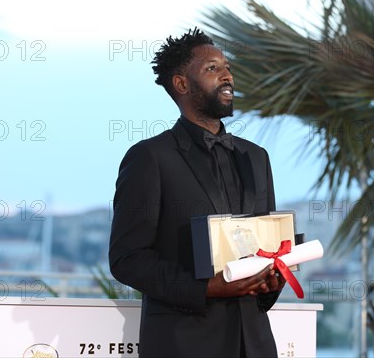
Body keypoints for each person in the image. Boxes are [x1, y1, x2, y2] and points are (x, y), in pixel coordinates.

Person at [109, 28, 285, 357]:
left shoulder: (257, 157)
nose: (227, 76)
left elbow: (266, 243)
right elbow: (127, 259)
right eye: (212, 68)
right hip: (183, 344)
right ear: (182, 84)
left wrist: (270, 283)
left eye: (227, 67)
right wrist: (206, 288)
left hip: (255, 344)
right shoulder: (150, 157)